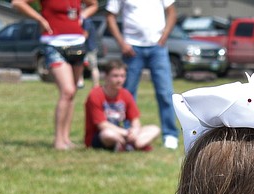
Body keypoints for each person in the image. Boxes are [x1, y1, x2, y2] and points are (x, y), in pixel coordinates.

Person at [13, 0, 99, 150]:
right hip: (54, 43)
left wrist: (82, 16)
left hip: (77, 42)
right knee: (67, 91)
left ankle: (66, 138)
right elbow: (17, 3)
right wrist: (40, 18)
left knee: (72, 93)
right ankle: (58, 140)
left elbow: (94, 4)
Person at [105, 0, 180, 149]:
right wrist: (122, 43)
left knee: (165, 93)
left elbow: (172, 12)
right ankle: (128, 134)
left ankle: (170, 134)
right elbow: (110, 16)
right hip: (132, 47)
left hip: (157, 47)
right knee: (127, 94)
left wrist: (164, 36)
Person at [84, 59, 160, 151]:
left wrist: (135, 131)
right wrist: (125, 132)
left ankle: (131, 144)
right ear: (106, 76)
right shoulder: (95, 95)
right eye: (115, 76)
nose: (119, 80)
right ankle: (131, 145)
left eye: (122, 76)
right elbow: (102, 125)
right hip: (100, 135)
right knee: (108, 134)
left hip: (122, 132)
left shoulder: (125, 94)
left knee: (155, 129)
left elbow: (135, 120)